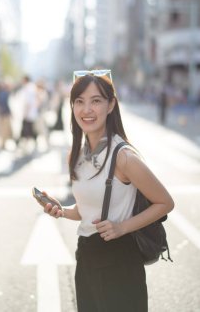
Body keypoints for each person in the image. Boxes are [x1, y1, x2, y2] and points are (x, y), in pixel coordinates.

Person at [40, 69, 174, 312]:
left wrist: (122, 226)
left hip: (120, 260)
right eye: (79, 101)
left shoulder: (123, 156)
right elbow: (87, 210)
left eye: (96, 101)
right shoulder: (77, 155)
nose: (86, 110)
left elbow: (165, 202)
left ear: (111, 105)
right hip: (87, 258)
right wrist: (61, 210)